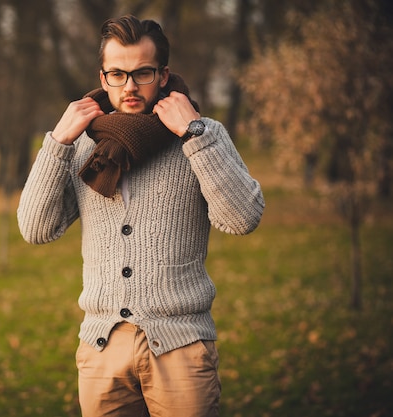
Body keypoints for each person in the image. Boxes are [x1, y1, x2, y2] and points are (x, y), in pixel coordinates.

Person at [17, 14, 264, 417]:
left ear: (163, 75)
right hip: (101, 350)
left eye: (142, 73)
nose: (129, 86)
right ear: (103, 76)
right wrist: (58, 142)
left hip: (182, 348)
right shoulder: (81, 144)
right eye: (117, 74)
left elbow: (243, 217)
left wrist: (196, 135)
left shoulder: (202, 134)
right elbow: (35, 228)